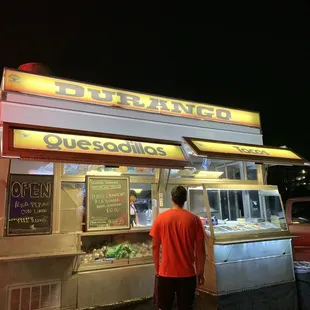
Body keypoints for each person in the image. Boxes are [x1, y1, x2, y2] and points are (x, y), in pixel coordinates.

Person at [150, 186, 206, 310]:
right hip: (188, 274)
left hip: (165, 273)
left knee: (164, 307)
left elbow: (154, 246)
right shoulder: (194, 219)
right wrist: (200, 271)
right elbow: (201, 250)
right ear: (185, 199)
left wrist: (158, 270)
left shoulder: (160, 218)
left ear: (171, 199)